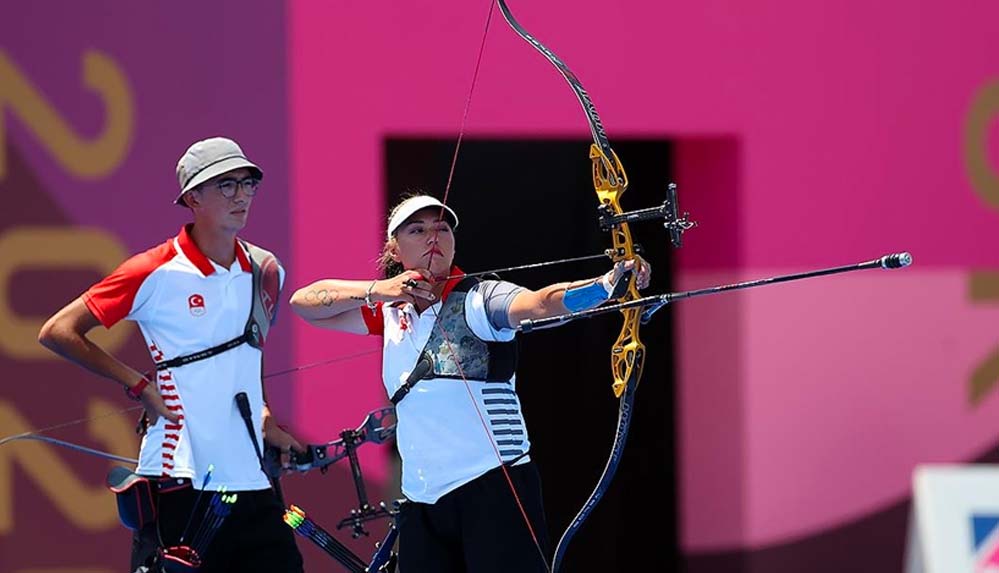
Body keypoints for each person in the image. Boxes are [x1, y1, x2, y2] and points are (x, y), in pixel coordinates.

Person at [288, 194, 651, 573]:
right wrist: (379, 290)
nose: (433, 236)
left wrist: (605, 285)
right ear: (394, 248)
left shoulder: (480, 300)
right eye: (418, 230)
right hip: (421, 498)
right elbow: (304, 303)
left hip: (493, 486)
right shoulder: (390, 312)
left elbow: (541, 303)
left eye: (442, 228)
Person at [38, 137, 305, 573]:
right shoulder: (155, 270)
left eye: (248, 183)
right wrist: (139, 385)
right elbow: (58, 331)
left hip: (253, 477)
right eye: (225, 185)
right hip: (181, 475)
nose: (241, 196)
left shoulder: (263, 269)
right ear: (192, 198)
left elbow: (246, 359)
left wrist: (266, 418)